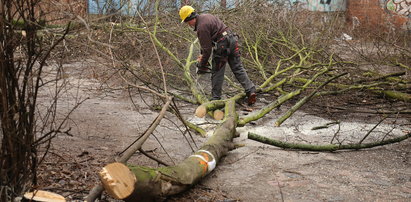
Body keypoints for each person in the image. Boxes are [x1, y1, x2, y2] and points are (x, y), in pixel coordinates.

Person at [179, 5, 257, 105]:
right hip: (232, 39)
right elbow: (207, 45)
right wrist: (202, 56)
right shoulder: (206, 16)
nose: (188, 25)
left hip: (222, 44)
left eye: (187, 22)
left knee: (217, 71)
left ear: (189, 18)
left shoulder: (201, 27)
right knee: (238, 68)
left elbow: (207, 50)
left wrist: (202, 65)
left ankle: (215, 98)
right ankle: (251, 90)